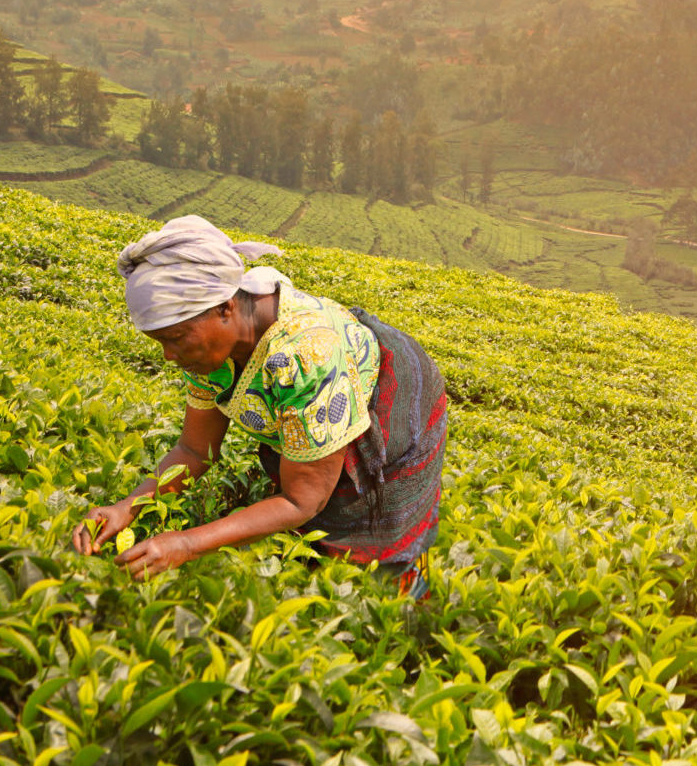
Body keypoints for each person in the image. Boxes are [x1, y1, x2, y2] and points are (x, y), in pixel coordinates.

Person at [74, 215, 448, 595]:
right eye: (160, 343)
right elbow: (194, 450)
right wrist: (128, 506)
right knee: (307, 517)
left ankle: (410, 600)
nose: (169, 355)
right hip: (318, 402)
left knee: (374, 531)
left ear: (224, 308)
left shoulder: (307, 355)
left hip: (394, 401)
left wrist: (187, 543)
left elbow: (301, 501)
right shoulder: (205, 352)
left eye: (176, 338)